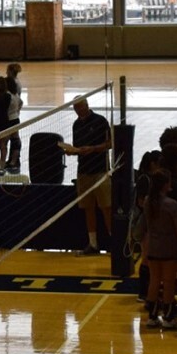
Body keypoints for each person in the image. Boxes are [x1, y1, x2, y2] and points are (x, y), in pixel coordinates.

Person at [64, 96, 113, 254]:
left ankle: (115, 243)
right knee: (88, 208)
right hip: (83, 171)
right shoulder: (76, 124)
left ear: (87, 105)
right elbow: (78, 147)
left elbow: (111, 143)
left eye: (80, 107)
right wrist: (73, 151)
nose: (78, 111)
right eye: (75, 108)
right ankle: (93, 244)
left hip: (100, 171)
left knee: (106, 207)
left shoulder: (100, 121)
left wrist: (93, 148)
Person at [140, 170, 177, 331]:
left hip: (153, 247)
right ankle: (168, 317)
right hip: (169, 248)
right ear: (165, 185)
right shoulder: (171, 204)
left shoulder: (147, 201)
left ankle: (152, 317)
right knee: (168, 283)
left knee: (154, 281)